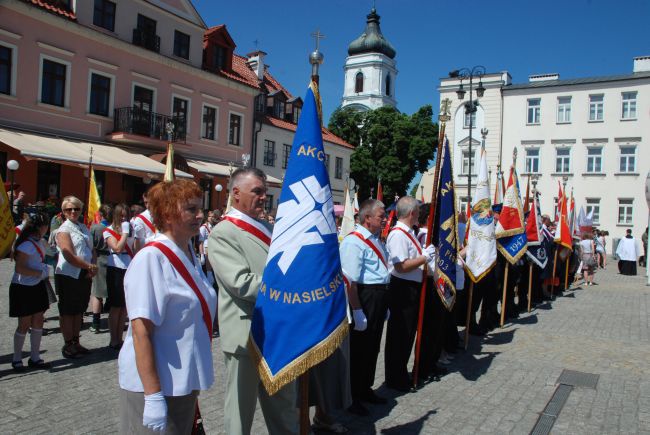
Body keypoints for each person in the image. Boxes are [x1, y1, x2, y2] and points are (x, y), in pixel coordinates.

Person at [118, 179, 217, 434]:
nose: (200, 215)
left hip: (182, 380)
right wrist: (152, 396)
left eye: (200, 208)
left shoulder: (189, 253)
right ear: (167, 214)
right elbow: (141, 331)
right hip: (158, 384)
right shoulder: (151, 258)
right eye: (191, 209)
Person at [208, 167, 298, 435]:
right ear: (235, 193)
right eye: (257, 191)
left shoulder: (268, 227)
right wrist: (286, 288)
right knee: (239, 411)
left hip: (277, 333)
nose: (263, 197)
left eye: (265, 193)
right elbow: (240, 282)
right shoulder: (223, 232)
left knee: (284, 407)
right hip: (245, 333)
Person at [339, 199, 390, 416]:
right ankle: (352, 396)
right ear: (367, 218)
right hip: (364, 297)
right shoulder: (354, 242)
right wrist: (357, 311)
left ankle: (365, 387)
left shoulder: (376, 239)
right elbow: (350, 281)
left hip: (378, 296)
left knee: (372, 347)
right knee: (359, 350)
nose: (385, 219)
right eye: (381, 216)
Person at [384, 196, 436, 392]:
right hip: (402, 289)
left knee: (406, 334)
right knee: (400, 335)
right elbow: (402, 265)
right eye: (418, 211)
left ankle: (399, 373)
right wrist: (424, 257)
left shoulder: (408, 232)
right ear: (413, 213)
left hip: (410, 287)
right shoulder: (398, 234)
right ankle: (395, 378)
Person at [54, 196, 97, 359]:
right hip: (69, 274)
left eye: (76, 209)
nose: (73, 212)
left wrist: (92, 266)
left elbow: (91, 249)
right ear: (63, 212)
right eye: (69, 209)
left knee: (79, 309)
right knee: (67, 311)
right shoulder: (63, 230)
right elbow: (69, 254)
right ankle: (68, 344)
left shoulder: (83, 227)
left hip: (84, 273)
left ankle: (76, 341)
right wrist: (89, 266)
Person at [9, 212, 52, 371]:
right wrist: (39, 273)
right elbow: (19, 268)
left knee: (38, 320)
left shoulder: (40, 242)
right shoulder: (26, 245)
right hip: (23, 287)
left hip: (37, 285)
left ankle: (35, 357)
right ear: (41, 227)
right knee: (24, 323)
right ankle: (16, 358)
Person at [104, 203, 134, 350]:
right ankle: (113, 338)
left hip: (128, 267)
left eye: (126, 215)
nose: (124, 218)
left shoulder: (130, 229)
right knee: (115, 306)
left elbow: (133, 247)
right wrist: (124, 234)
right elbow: (117, 247)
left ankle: (120, 338)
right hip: (115, 268)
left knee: (124, 306)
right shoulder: (108, 231)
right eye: (121, 215)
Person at [89, 204, 112, 333]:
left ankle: (95, 323)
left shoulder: (95, 228)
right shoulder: (114, 228)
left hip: (98, 258)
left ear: (101, 215)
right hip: (112, 260)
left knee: (97, 293)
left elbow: (90, 245)